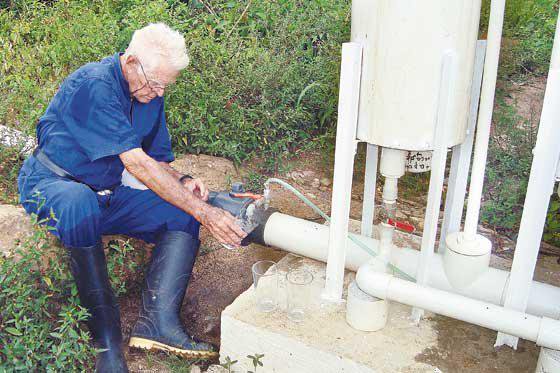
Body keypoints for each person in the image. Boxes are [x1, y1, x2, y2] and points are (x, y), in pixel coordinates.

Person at [17, 23, 246, 372]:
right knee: (81, 203)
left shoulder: (150, 93)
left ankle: (159, 325)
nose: (158, 92)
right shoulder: (94, 84)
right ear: (131, 61)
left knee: (179, 213)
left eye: (165, 85)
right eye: (154, 83)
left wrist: (183, 180)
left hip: (106, 193)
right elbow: (135, 162)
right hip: (52, 184)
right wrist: (206, 212)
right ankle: (105, 347)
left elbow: (156, 158)